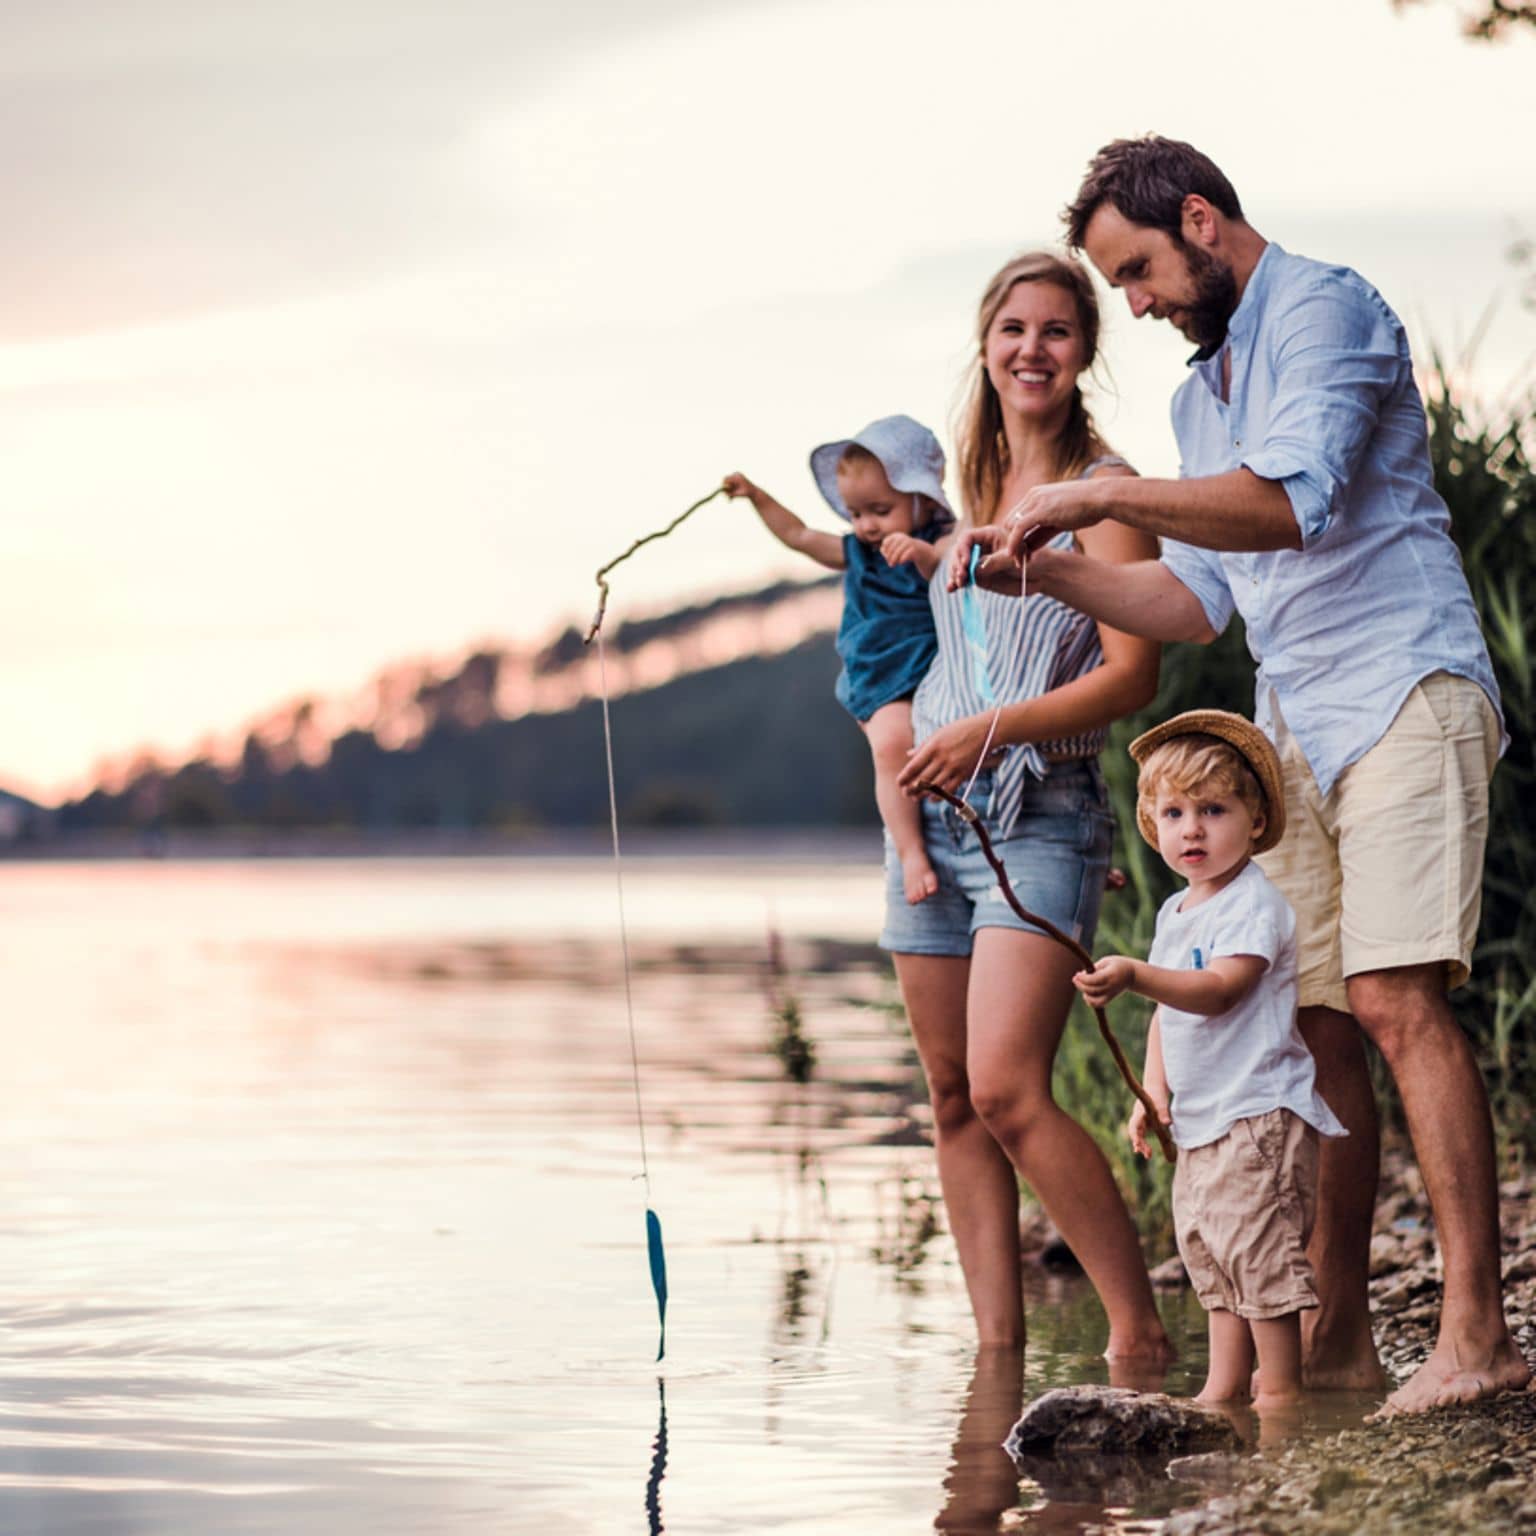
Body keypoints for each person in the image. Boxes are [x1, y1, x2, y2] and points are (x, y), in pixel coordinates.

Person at [958, 136, 1529, 1412]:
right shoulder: (1196, 402)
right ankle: (1335, 1348)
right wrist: (1042, 566)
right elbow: (1190, 595)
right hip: (1292, 726)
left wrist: (1090, 495)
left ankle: (1479, 1334)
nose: (1141, 304)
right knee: (1312, 1027)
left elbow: (1291, 504)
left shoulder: (1328, 308)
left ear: (1203, 220)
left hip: (1401, 687)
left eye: (1141, 272)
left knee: (1391, 998)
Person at [881, 252, 1168, 1358]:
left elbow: (1133, 676)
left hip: (1042, 813)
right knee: (951, 1097)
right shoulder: (962, 497)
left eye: (1056, 330)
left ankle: (1137, 1333)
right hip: (932, 820)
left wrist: (989, 731)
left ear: (1084, 350)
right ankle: (994, 1363)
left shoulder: (1109, 494)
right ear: (986, 344)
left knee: (1007, 1089)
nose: (1031, 349)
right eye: (1013, 328)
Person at [1074, 711, 1347, 1409]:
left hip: (1257, 1119)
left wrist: (1135, 974)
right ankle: (1223, 1390)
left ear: (1255, 821)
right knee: (1215, 1256)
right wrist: (1152, 1091)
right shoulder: (1175, 913)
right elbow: (1170, 1018)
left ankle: (1281, 1395)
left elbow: (1221, 991)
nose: (1191, 828)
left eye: (1213, 810)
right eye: (1174, 812)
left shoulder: (1253, 904)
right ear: (1152, 824)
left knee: (1260, 1260)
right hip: (1201, 1123)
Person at [725, 414, 955, 904]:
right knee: (893, 744)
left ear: (923, 499)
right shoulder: (858, 552)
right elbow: (800, 536)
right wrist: (758, 497)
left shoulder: (942, 541)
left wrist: (921, 554)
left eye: (880, 509)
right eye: (855, 513)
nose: (867, 525)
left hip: (941, 671)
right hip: (884, 676)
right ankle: (911, 850)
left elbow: (953, 570)